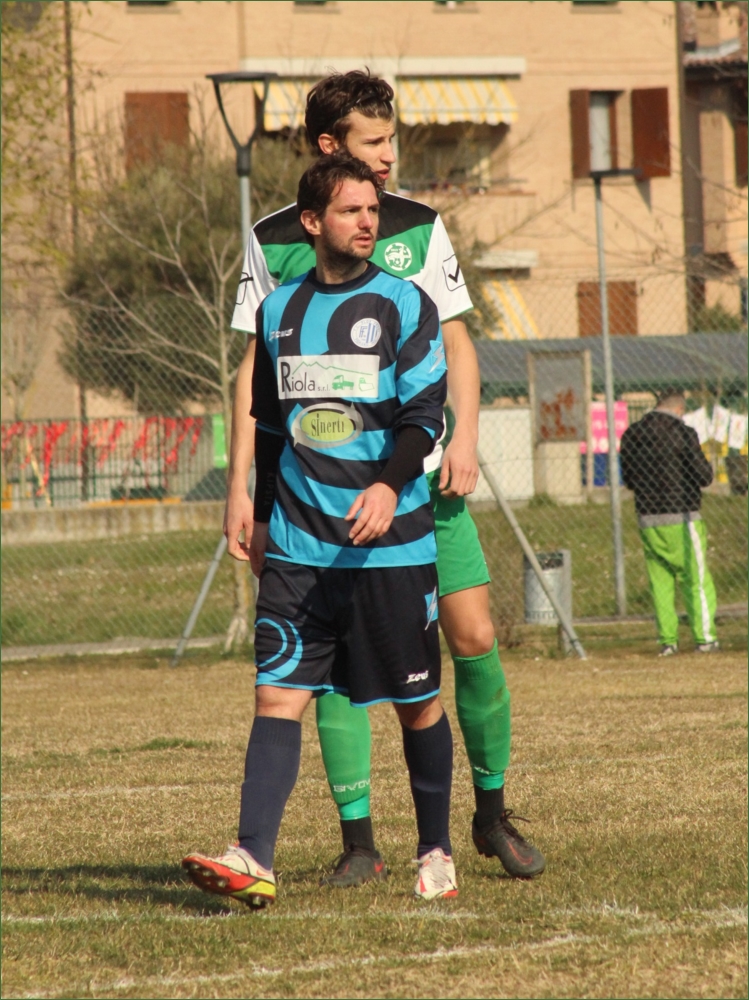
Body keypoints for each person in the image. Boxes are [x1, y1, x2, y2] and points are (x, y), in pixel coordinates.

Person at [225, 70, 545, 884]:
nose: (389, 156)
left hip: (417, 482)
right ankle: (358, 840)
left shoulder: (418, 229)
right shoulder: (274, 239)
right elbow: (258, 373)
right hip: (317, 499)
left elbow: (456, 343)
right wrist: (243, 492)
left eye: (390, 139)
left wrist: (462, 437)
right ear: (327, 147)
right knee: (328, 673)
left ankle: (486, 814)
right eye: (373, 142)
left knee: (471, 639)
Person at [183, 153, 458, 905]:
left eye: (372, 210)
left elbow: (422, 417)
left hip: (390, 548)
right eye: (350, 210)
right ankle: (254, 856)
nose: (368, 222)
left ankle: (434, 849)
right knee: (277, 697)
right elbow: (273, 430)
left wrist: (387, 485)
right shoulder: (278, 312)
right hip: (300, 550)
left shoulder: (404, 304)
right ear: (312, 222)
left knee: (417, 703)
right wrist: (263, 513)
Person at [620, 390, 719, 656]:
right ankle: (705, 638)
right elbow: (704, 476)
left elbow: (629, 479)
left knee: (660, 581)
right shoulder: (683, 433)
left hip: (648, 518)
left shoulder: (632, 434)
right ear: (679, 410)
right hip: (683, 516)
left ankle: (668, 641)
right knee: (695, 578)